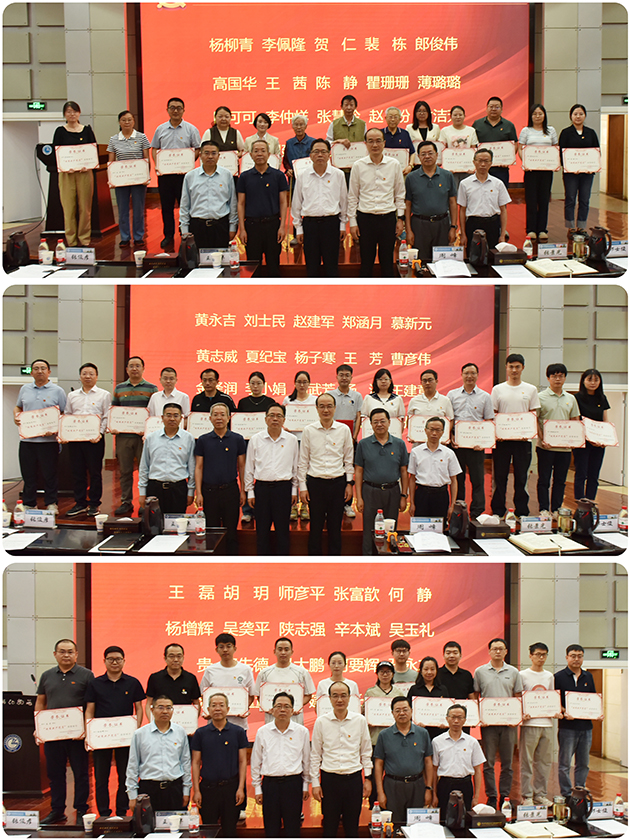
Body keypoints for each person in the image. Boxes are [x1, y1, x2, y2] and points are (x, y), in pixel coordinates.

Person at [34, 639, 94, 825]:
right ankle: (57, 810)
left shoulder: (87, 675)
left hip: (78, 735)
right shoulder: (47, 676)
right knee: (55, 774)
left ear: (76, 654)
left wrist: (88, 728)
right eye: (62, 651)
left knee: (81, 774)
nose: (66, 655)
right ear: (55, 654)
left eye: (70, 652)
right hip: (53, 734)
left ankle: (81, 809)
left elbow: (92, 704)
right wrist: (38, 727)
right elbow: (40, 702)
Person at [85, 646, 145, 817]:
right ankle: (104, 813)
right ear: (104, 661)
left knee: (125, 775)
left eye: (118, 659)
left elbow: (139, 708)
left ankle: (121, 811)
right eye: (110, 659)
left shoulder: (132, 682)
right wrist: (89, 733)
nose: (114, 662)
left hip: (125, 737)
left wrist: (137, 730)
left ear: (124, 661)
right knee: (101, 777)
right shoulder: (95, 683)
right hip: (101, 737)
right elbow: (89, 710)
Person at [310, 681, 372, 837]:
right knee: (330, 826)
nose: (339, 700)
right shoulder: (321, 722)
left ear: (350, 698)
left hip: (353, 780)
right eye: (335, 696)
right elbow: (315, 755)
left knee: (352, 827)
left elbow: (366, 752)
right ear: (329, 698)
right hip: (330, 780)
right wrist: (315, 783)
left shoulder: (360, 720)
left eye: (343, 695)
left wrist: (368, 778)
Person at [298, 393, 354, 555]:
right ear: (316, 409)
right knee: (315, 526)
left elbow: (348, 459)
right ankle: (314, 561)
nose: (326, 410)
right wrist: (303, 487)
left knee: (335, 526)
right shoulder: (309, 430)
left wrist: (349, 483)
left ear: (335, 408)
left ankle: (334, 561)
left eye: (329, 406)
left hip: (338, 483)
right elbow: (303, 461)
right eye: (322, 406)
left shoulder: (344, 430)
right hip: (315, 483)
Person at [250, 691, 311, 838]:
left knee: (293, 828)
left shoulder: (302, 732)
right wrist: (257, 788)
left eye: (286, 706)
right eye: (278, 706)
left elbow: (306, 761)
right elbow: (256, 761)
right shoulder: (263, 732)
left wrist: (305, 786)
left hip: (293, 784)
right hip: (270, 785)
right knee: (271, 829)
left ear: (293, 710)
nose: (282, 710)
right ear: (272, 710)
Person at [473, 638, 523, 810]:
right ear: (489, 651)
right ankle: (492, 796)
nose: (497, 652)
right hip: (489, 725)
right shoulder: (480, 672)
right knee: (488, 762)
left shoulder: (514, 672)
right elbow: (475, 696)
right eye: (494, 649)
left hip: (509, 725)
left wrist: (515, 717)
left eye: (501, 649)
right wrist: (480, 716)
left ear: (506, 651)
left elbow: (518, 696)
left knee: (508, 763)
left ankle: (505, 796)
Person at [348, 128, 405, 277]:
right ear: (365, 144)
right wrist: (352, 222)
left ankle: (388, 291)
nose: (375, 145)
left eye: (378, 141)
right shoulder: (358, 165)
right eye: (371, 141)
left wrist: (400, 219)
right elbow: (353, 196)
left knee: (387, 262)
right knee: (366, 262)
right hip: (365, 219)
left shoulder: (394, 164)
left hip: (388, 218)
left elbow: (400, 194)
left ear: (384, 143)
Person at [244, 403, 299, 555]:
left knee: (283, 531)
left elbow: (295, 467)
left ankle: (283, 564)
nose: (275, 419)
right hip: (262, 489)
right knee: (262, 531)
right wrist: (250, 492)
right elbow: (249, 468)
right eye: (271, 416)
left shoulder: (292, 440)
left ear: (284, 419)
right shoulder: (256, 439)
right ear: (265, 419)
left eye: (279, 416)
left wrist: (294, 490)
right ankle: (263, 564)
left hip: (283, 489)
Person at [491, 353, 541, 519]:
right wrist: (498, 433)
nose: (514, 370)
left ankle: (522, 511)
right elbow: (493, 414)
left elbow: (533, 414)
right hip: (502, 441)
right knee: (500, 477)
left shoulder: (531, 389)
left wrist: (528, 432)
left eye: (517, 367)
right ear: (506, 368)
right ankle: (498, 511)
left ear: (523, 368)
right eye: (511, 366)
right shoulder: (498, 389)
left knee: (521, 477)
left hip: (523, 441)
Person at [14, 359, 67, 514]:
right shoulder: (25, 389)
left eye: (43, 368)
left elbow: (64, 413)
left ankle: (51, 503)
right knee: (28, 474)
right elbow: (18, 407)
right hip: (27, 440)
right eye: (36, 368)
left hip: (48, 441)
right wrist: (16, 416)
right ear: (31, 372)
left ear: (49, 372)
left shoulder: (58, 391)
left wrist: (55, 427)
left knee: (50, 474)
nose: (39, 371)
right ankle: (29, 503)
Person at [191, 693, 248, 835]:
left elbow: (242, 761)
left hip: (231, 788)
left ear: (227, 709)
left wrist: (241, 788)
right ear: (208, 709)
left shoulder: (238, 732)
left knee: (230, 830)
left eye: (221, 705)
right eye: (214, 705)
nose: (217, 708)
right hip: (208, 789)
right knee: (209, 831)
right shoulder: (200, 733)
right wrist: (196, 790)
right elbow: (196, 762)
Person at [355, 408, 409, 555]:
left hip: (393, 491)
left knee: (390, 529)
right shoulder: (363, 444)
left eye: (382, 421)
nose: (379, 424)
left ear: (389, 422)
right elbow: (358, 471)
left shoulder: (399, 444)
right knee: (369, 529)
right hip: (370, 491)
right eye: (375, 422)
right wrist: (359, 497)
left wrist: (404, 496)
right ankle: (368, 558)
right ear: (370, 424)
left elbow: (404, 471)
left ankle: (389, 559)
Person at [194, 403, 246, 555]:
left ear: (229, 418)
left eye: (222, 414)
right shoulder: (203, 440)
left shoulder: (237, 439)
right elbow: (199, 467)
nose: (219, 418)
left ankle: (232, 561)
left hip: (230, 491)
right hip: (209, 492)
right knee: (211, 532)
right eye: (215, 414)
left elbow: (242, 466)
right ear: (210, 418)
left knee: (231, 532)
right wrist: (199, 493)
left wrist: (243, 491)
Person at [291, 138, 348, 276]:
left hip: (331, 224)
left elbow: (344, 202)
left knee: (332, 266)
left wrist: (342, 226)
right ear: (310, 155)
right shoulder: (302, 176)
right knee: (312, 267)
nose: (320, 155)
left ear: (329, 155)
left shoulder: (338, 175)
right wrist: (298, 228)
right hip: (310, 226)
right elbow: (296, 204)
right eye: (316, 152)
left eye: (323, 151)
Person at [151, 96, 201, 251]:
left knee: (185, 205)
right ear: (167, 110)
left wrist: (188, 163)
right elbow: (154, 148)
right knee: (166, 206)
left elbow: (197, 149)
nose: (175, 111)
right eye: (172, 108)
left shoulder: (191, 129)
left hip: (184, 176)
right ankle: (168, 235)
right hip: (165, 175)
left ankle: (185, 233)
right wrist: (158, 165)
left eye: (179, 108)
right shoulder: (160, 129)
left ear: (183, 110)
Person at [60, 362, 110, 517]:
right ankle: (80, 503)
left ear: (96, 376)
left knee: (95, 473)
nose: (88, 376)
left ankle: (94, 504)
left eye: (91, 374)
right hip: (75, 440)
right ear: (80, 376)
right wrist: (65, 434)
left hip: (95, 440)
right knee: (78, 472)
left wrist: (99, 433)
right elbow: (67, 415)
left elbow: (106, 416)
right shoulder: (72, 396)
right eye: (84, 374)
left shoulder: (104, 395)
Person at [126, 695, 191, 813]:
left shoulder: (180, 732)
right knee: (148, 824)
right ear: (152, 710)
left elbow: (185, 762)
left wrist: (186, 791)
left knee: (176, 823)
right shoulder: (140, 734)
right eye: (160, 707)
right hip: (149, 789)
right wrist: (132, 795)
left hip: (174, 788)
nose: (165, 711)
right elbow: (133, 765)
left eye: (168, 708)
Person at [373, 697, 433, 823]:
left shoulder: (422, 733)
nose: (402, 713)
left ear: (411, 711)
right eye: (397, 710)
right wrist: (380, 792)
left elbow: (428, 762)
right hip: (392, 786)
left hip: (417, 785)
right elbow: (378, 764)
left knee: (416, 824)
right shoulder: (384, 735)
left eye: (405, 709)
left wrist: (428, 788)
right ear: (392, 713)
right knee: (394, 824)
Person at [554, 644, 602, 799]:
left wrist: (598, 712)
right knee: (564, 764)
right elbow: (554, 701)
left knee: (583, 763)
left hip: (586, 727)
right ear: (567, 657)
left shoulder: (588, 676)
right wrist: (564, 711)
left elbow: (593, 698)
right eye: (573, 656)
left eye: (580, 656)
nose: (576, 659)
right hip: (567, 727)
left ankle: (580, 791)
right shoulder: (558, 677)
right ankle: (567, 794)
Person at [447, 363, 494, 520]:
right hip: (457, 445)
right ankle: (459, 508)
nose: (469, 376)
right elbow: (449, 419)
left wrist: (484, 442)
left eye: (473, 373)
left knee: (477, 479)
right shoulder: (452, 395)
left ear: (477, 375)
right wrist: (450, 437)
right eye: (466, 373)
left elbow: (489, 420)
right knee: (457, 479)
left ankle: (477, 512)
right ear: (461, 375)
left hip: (476, 446)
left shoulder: (485, 397)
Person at [111, 356, 157, 515]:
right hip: (123, 437)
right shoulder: (119, 388)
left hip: (144, 438)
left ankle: (146, 502)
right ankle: (126, 501)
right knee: (125, 471)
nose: (134, 368)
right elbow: (114, 410)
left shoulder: (152, 388)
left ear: (143, 368)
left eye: (138, 366)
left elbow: (154, 413)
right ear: (127, 369)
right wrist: (113, 425)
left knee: (146, 470)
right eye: (131, 366)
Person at [237, 139, 289, 274]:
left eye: (263, 151)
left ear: (269, 154)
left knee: (273, 265)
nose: (259, 154)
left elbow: (283, 202)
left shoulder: (278, 176)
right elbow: (241, 203)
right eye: (256, 151)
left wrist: (282, 226)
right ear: (250, 154)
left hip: (272, 225)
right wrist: (242, 229)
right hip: (252, 226)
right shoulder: (244, 177)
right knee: (253, 267)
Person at [536, 363, 580, 516]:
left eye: (561, 376)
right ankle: (543, 509)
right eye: (554, 376)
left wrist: (573, 440)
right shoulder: (540, 397)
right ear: (548, 378)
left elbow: (575, 420)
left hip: (564, 448)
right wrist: (543, 439)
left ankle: (556, 509)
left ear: (565, 378)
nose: (557, 379)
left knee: (560, 480)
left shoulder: (571, 398)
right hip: (545, 447)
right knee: (544, 480)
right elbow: (535, 420)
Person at [404, 141, 457, 261]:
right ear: (418, 157)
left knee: (442, 261)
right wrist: (408, 230)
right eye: (423, 154)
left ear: (437, 155)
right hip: (419, 225)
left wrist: (453, 227)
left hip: (442, 224)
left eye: (430, 153)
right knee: (421, 261)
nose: (427, 156)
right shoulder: (411, 178)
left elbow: (453, 203)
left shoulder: (447, 175)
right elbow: (407, 204)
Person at [179, 140, 238, 249]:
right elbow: (184, 205)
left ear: (219, 156)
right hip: (197, 227)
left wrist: (232, 227)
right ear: (200, 155)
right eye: (206, 153)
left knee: (220, 258)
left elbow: (232, 203)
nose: (210, 156)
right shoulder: (190, 176)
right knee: (197, 258)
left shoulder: (227, 175)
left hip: (220, 226)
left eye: (213, 153)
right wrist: (184, 230)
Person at [53, 101, 96, 247]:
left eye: (75, 111)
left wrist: (88, 164)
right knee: (68, 208)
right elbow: (56, 152)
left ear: (79, 113)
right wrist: (65, 166)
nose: (72, 114)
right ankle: (71, 240)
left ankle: (84, 238)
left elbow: (93, 150)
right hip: (67, 174)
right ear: (64, 114)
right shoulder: (60, 131)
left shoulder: (87, 130)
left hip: (85, 173)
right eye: (69, 111)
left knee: (85, 207)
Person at [138, 404, 195, 513]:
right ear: (162, 417)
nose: (172, 419)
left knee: (177, 522)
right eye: (168, 415)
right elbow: (144, 466)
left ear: (181, 418)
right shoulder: (151, 438)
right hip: (155, 488)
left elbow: (192, 467)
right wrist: (142, 492)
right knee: (155, 522)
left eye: (176, 415)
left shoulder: (188, 439)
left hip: (178, 489)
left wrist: (191, 492)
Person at [432, 704, 485, 821]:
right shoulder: (437, 741)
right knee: (444, 819)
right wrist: (434, 794)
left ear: (465, 720)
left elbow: (477, 770)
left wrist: (476, 797)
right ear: (447, 718)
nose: (456, 721)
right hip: (445, 785)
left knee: (464, 819)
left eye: (460, 717)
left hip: (465, 784)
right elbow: (434, 769)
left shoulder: (472, 742)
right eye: (453, 717)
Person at [237, 371, 278, 523]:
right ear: (249, 385)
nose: (255, 386)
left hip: (265, 443)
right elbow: (238, 422)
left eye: (258, 383)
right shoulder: (243, 402)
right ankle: (247, 510)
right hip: (246, 442)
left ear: (264, 385)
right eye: (252, 383)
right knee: (247, 473)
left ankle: (262, 508)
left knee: (263, 475)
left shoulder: (270, 402)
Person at [519, 642, 557, 808]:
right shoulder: (522, 675)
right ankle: (526, 795)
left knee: (544, 762)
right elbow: (518, 698)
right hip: (529, 723)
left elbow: (552, 698)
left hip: (547, 724)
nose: (541, 658)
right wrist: (522, 713)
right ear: (530, 656)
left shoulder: (549, 676)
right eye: (538, 654)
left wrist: (555, 710)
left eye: (544, 655)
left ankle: (540, 794)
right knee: (526, 761)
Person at [107, 110, 150, 247]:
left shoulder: (141, 137)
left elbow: (146, 159)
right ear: (119, 122)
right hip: (121, 180)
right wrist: (112, 179)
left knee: (138, 209)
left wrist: (146, 176)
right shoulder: (114, 139)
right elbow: (111, 161)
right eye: (124, 120)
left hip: (138, 179)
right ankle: (125, 237)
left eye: (129, 120)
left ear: (134, 121)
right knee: (123, 209)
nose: (127, 122)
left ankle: (138, 236)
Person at [408, 418, 462, 523]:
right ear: (425, 430)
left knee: (439, 528)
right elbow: (412, 478)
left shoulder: (449, 453)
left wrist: (452, 505)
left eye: (438, 430)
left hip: (441, 495)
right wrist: (412, 503)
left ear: (443, 432)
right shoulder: (416, 452)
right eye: (431, 429)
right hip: (422, 495)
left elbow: (454, 480)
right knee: (421, 527)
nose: (434, 433)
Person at [458, 148, 511, 253]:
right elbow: (462, 210)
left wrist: (502, 234)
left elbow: (503, 210)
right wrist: (463, 234)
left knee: (492, 255)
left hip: (493, 224)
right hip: (473, 224)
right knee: (473, 255)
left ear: (491, 163)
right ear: (474, 162)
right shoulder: (465, 184)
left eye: (486, 161)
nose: (483, 164)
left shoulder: (498, 184)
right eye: (480, 161)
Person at [518, 104, 558, 241]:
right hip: (531, 171)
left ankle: (542, 229)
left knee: (544, 200)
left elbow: (555, 148)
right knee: (531, 200)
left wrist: (553, 163)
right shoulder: (526, 131)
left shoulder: (551, 130)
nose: (537, 116)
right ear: (531, 116)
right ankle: (531, 229)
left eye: (540, 113)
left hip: (546, 171)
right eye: (534, 114)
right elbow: (520, 148)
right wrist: (525, 162)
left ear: (544, 115)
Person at [559, 104, 600, 235]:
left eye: (581, 114)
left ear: (585, 116)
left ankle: (581, 227)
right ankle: (570, 227)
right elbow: (561, 153)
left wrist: (591, 167)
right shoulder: (566, 133)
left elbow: (596, 152)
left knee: (584, 199)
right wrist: (570, 167)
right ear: (571, 116)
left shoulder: (591, 133)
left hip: (587, 174)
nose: (578, 116)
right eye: (575, 114)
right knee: (570, 198)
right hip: (571, 173)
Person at [199, 633, 255, 730]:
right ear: (216, 650)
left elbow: (251, 695)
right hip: (215, 724)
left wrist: (244, 709)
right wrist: (208, 711)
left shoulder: (245, 670)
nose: (225, 650)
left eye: (228, 646)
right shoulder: (210, 670)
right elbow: (204, 694)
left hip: (238, 724)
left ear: (235, 648)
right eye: (221, 647)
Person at [255, 638, 315, 725]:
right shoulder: (264, 673)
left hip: (294, 720)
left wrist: (295, 707)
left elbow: (308, 695)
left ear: (292, 652)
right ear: (274, 651)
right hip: (272, 720)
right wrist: (267, 707)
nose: (283, 652)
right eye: (280, 649)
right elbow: (259, 695)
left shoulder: (301, 672)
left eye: (286, 649)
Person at [283, 370, 317, 521]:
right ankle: (292, 504)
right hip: (291, 440)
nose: (302, 385)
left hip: (309, 440)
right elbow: (282, 419)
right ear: (295, 383)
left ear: (309, 384)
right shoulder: (288, 400)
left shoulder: (315, 400)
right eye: (299, 382)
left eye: (305, 382)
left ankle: (304, 505)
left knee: (306, 471)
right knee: (292, 471)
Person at [573, 369, 610, 500]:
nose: (593, 383)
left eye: (596, 380)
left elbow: (605, 421)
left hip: (598, 443)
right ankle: (580, 501)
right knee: (581, 473)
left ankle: (591, 501)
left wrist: (605, 439)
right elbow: (576, 421)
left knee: (594, 474)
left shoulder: (602, 398)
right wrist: (587, 437)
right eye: (589, 379)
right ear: (583, 381)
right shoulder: (576, 398)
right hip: (582, 442)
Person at [472, 96, 518, 187]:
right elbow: (473, 144)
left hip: (501, 168)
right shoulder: (477, 124)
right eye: (491, 107)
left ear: (502, 109)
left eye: (497, 107)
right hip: (482, 167)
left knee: (500, 192)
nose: (493, 109)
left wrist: (508, 159)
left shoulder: (509, 125)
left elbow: (515, 144)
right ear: (486, 108)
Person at [146, 643, 201, 715]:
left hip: (184, 719)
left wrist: (193, 719)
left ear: (183, 658)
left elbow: (196, 703)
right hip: (161, 718)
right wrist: (152, 719)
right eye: (171, 656)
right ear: (165, 658)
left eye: (179, 656)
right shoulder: (155, 678)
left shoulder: (191, 678)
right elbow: (149, 703)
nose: (175, 660)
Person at [326, 94, 367, 184]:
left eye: (351, 105)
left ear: (355, 107)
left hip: (357, 166)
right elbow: (327, 142)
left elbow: (366, 143)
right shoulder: (334, 124)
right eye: (346, 105)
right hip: (339, 166)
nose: (349, 108)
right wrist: (338, 141)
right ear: (341, 107)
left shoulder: (362, 124)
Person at [364, 662, 405, 751]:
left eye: (388, 672)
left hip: (395, 737)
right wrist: (368, 720)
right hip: (375, 737)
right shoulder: (370, 693)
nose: (385, 675)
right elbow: (364, 714)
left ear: (393, 674)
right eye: (382, 672)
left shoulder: (398, 693)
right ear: (377, 674)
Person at [408, 368, 455, 446]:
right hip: (419, 443)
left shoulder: (445, 400)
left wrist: (444, 436)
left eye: (430, 380)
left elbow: (450, 420)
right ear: (421, 383)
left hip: (439, 444)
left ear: (436, 381)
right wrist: (412, 434)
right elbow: (409, 421)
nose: (427, 383)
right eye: (424, 381)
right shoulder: (414, 401)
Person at [407, 657, 449, 740]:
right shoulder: (414, 689)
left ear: (437, 671)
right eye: (426, 669)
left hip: (439, 732)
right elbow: (408, 709)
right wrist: (415, 721)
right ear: (421, 671)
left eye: (432, 669)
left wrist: (445, 722)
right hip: (418, 732)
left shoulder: (443, 689)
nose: (429, 672)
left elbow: (448, 709)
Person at [438, 106, 478, 189]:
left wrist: (473, 167)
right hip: (451, 169)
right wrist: (446, 166)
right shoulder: (445, 131)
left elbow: (474, 149)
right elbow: (442, 149)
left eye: (460, 115)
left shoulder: (471, 130)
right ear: (450, 116)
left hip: (467, 168)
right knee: (453, 191)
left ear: (464, 116)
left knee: (467, 191)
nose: (458, 117)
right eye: (455, 115)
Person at [437, 641, 475, 711]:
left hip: (461, 713)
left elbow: (471, 698)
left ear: (460, 655)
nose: (451, 656)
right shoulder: (437, 674)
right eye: (448, 653)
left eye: (455, 653)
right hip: (441, 711)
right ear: (443, 655)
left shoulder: (466, 675)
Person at [382, 107, 415, 174]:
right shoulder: (380, 133)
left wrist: (410, 166)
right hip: (383, 171)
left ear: (400, 119)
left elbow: (412, 152)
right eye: (390, 117)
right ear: (385, 118)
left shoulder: (405, 134)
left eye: (395, 117)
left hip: (401, 171)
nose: (393, 119)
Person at [283, 114, 315, 179]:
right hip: (294, 178)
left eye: (301, 124)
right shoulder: (289, 143)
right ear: (292, 126)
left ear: (306, 126)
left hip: (311, 177)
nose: (299, 127)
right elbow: (286, 161)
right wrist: (288, 170)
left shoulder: (313, 142)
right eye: (296, 125)